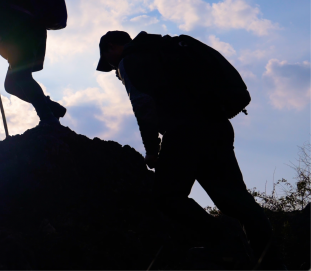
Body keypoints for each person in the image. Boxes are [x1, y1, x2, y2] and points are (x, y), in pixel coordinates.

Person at [96, 30, 285, 269]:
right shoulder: (166, 50)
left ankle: (223, 243)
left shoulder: (130, 60)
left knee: (167, 196)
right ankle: (273, 264)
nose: (113, 68)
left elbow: (143, 106)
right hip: (217, 127)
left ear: (112, 46)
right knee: (236, 201)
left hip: (184, 132)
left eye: (110, 61)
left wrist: (152, 149)